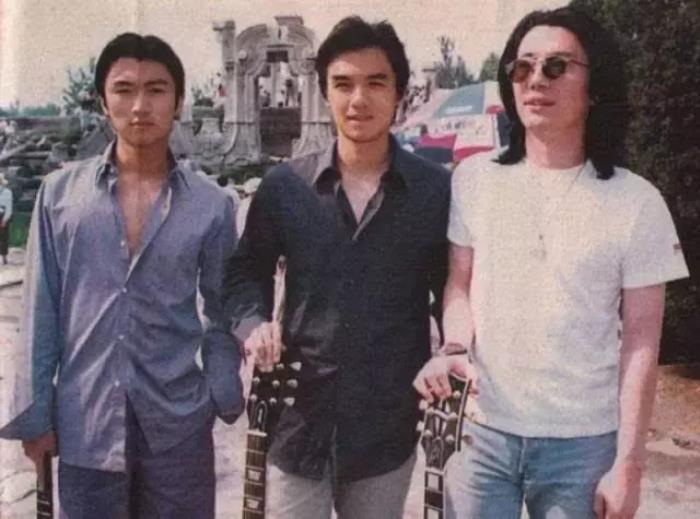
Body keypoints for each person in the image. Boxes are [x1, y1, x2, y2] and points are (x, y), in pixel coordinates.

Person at [413, 7, 689, 519]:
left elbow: (641, 342)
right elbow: (459, 285)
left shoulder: (637, 202)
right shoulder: (474, 179)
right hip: (480, 434)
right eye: (523, 67)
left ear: (595, 87)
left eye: (556, 66)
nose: (536, 79)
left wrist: (629, 464)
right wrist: (454, 347)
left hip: (582, 445)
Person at [0, 33, 243, 518]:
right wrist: (35, 414)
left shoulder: (211, 204)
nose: (139, 106)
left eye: (156, 90)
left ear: (178, 101)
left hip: (178, 425)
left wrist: (219, 391)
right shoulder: (60, 196)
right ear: (102, 101)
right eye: (124, 89)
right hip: (86, 423)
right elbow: (40, 312)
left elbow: (224, 309)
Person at [224, 16, 450, 519]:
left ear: (400, 93)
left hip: (387, 426)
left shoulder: (434, 192)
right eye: (343, 84)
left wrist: (451, 352)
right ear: (324, 92)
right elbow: (244, 273)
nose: (358, 99)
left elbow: (451, 288)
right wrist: (254, 325)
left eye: (376, 83)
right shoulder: (286, 187)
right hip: (297, 415)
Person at [0, 173, 13, 264]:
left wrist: (5, 219)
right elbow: (9, 207)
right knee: (3, 237)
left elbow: (9, 207)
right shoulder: (8, 192)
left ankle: (4, 257)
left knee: (3, 237)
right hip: (3, 214)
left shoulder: (7, 192)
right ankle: (4, 257)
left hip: (2, 214)